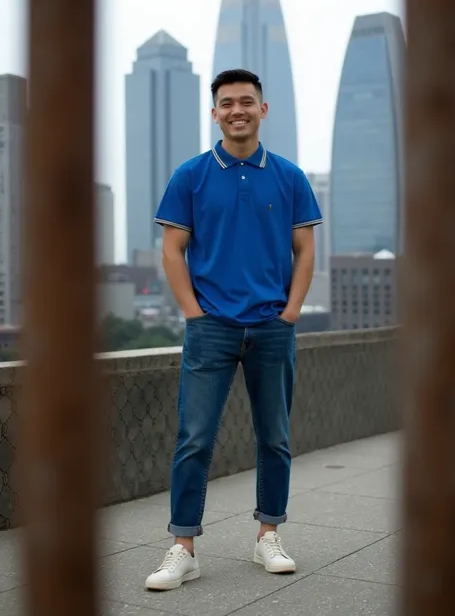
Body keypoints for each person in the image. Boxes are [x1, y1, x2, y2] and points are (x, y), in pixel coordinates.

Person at [145, 69, 322, 591]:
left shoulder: (289, 176)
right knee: (193, 439)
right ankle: (183, 548)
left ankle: (268, 535)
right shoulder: (191, 175)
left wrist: (290, 314)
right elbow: (172, 249)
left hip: (272, 326)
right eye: (227, 103)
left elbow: (305, 250)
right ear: (215, 112)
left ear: (263, 110)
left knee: (275, 438)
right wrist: (194, 314)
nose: (237, 110)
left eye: (247, 102)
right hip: (211, 327)